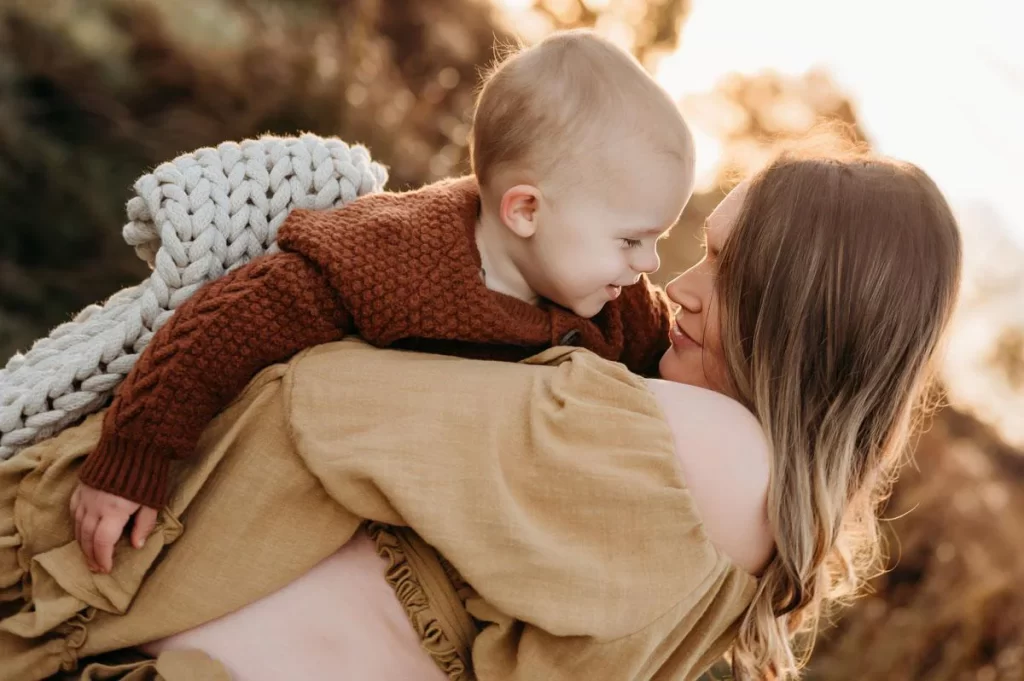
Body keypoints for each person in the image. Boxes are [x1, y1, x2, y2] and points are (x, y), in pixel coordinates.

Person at [1, 148, 962, 681]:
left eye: (734, 271)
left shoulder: (712, 450)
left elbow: (332, 406)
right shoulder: (742, 499)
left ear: (809, 319)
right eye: (701, 251)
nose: (686, 287)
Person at [69, 28, 695, 570]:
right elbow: (225, 326)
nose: (649, 265)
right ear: (526, 210)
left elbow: (674, 364)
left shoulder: (619, 301)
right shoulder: (390, 256)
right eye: (631, 239)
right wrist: (137, 452)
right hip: (318, 489)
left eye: (656, 239)